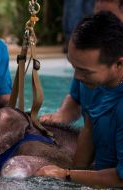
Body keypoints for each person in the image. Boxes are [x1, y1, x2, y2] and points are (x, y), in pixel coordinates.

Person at [36, 12, 123, 188]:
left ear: (119, 64)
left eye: (84, 71)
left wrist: (66, 175)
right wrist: (74, 175)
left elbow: (121, 179)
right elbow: (89, 129)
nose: (76, 76)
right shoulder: (95, 83)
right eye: (73, 66)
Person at [40, 0, 123, 127]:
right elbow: (75, 99)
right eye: (97, 19)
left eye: (109, 20)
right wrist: (61, 115)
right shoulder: (87, 70)